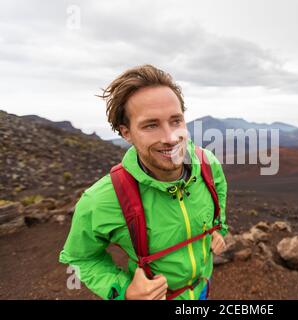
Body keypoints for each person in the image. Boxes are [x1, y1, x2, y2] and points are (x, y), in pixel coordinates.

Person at [59, 64, 228, 300]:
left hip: (202, 290)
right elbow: (78, 258)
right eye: (151, 125)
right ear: (126, 132)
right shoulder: (100, 200)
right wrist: (125, 291)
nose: (170, 138)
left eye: (176, 121)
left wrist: (217, 229)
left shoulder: (207, 164)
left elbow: (217, 199)